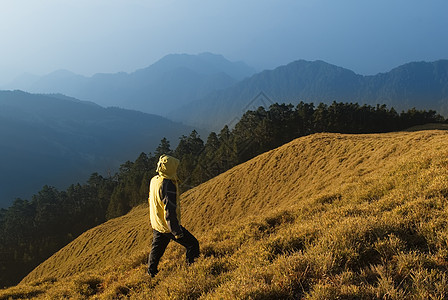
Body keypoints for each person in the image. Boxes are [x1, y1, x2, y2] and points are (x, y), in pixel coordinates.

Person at [147, 154, 200, 277]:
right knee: (192, 244)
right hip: (167, 225)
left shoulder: (155, 180)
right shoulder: (168, 185)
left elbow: (151, 200)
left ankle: (151, 272)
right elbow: (169, 210)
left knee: (157, 249)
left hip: (157, 222)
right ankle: (193, 270)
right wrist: (176, 231)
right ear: (171, 168)